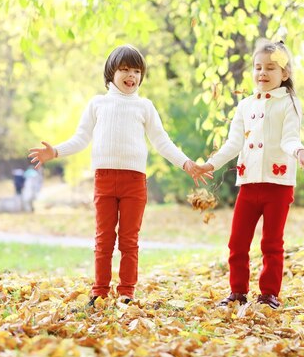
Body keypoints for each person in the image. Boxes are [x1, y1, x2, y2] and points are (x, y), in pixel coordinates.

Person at [28, 44, 210, 306]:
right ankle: (99, 291)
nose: (131, 75)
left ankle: (126, 292)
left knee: (128, 240)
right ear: (111, 72)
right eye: (125, 69)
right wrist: (55, 151)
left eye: (136, 70)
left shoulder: (145, 107)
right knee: (104, 239)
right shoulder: (98, 104)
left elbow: (162, 141)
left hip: (134, 183)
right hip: (104, 180)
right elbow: (81, 139)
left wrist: (187, 164)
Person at [197, 39, 304, 309]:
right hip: (249, 183)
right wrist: (212, 164)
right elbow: (234, 143)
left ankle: (268, 294)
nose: (262, 73)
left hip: (278, 185)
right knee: (237, 242)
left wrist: (300, 151)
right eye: (258, 68)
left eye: (270, 68)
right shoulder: (245, 106)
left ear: (284, 74)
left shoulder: (288, 102)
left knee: (271, 243)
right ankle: (237, 292)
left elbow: (289, 138)